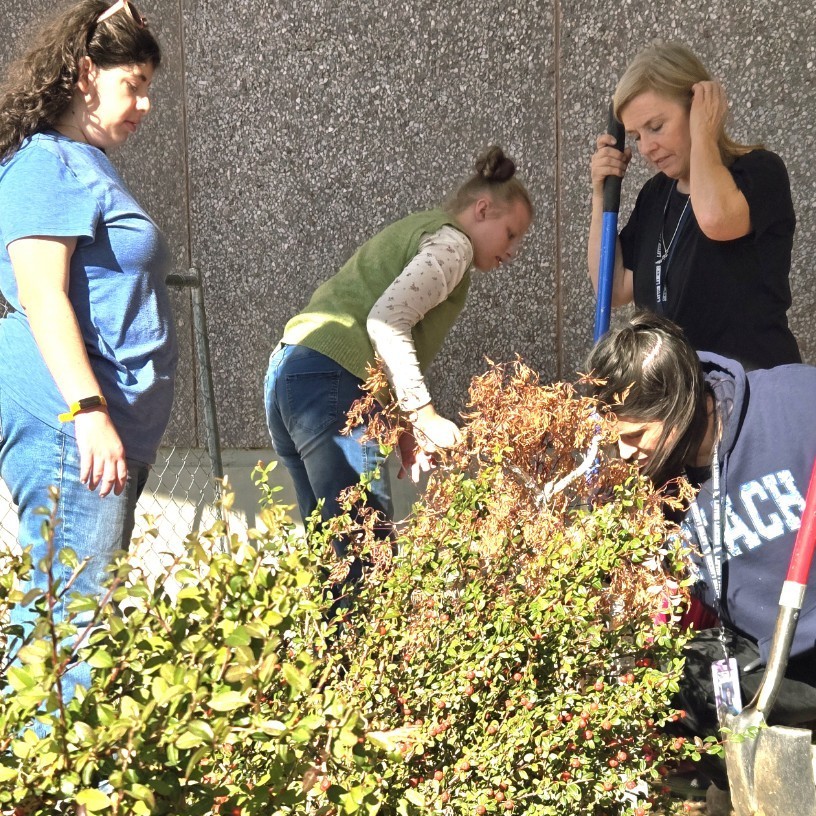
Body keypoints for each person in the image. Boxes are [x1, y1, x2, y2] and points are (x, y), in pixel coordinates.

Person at [0, 0, 177, 697]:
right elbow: (41, 294)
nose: (145, 103)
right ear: (83, 75)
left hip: (98, 433)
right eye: (132, 83)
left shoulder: (82, 163)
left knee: (68, 622)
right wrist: (88, 410)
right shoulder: (47, 164)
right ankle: (52, 797)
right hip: (69, 430)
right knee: (67, 631)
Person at [585, 311, 816, 803]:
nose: (623, 455)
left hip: (810, 644)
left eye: (633, 437)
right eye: (613, 441)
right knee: (661, 690)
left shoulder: (796, 402)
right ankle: (723, 794)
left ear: (678, 405)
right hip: (762, 654)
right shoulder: (656, 491)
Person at [264, 145, 533, 540]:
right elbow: (386, 321)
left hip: (290, 374)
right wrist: (423, 414)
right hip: (331, 383)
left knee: (331, 551)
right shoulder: (453, 245)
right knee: (366, 562)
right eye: (511, 233)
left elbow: (381, 335)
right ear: (481, 210)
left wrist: (404, 428)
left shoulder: (422, 227)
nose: (513, 251)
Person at [588, 40, 801, 371]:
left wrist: (705, 134)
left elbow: (715, 219)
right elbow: (612, 288)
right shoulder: (656, 195)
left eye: (656, 127)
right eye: (636, 136)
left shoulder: (758, 171)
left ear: (698, 107)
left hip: (751, 396)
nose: (646, 147)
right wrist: (602, 195)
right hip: (678, 400)